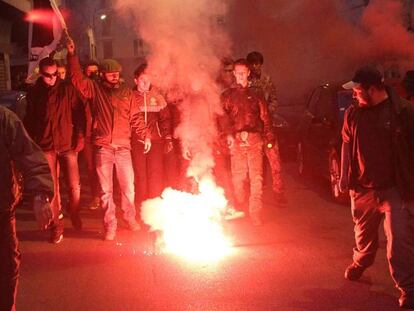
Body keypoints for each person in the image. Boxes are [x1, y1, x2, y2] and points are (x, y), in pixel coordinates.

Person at [340, 66, 414, 309]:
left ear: (373, 90)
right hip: (363, 190)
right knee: (364, 240)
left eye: (358, 91)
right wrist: (344, 178)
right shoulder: (353, 114)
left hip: (394, 189)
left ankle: (408, 289)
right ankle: (360, 262)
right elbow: (345, 145)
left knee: (399, 242)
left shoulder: (404, 112)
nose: (354, 95)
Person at [66, 37, 151, 241]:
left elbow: (135, 116)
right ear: (103, 74)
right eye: (111, 74)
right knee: (105, 191)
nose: (115, 76)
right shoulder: (95, 89)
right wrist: (72, 55)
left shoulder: (126, 93)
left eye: (117, 73)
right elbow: (77, 79)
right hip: (103, 147)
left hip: (123, 148)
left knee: (128, 187)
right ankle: (109, 225)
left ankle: (129, 217)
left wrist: (145, 134)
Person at [24, 57, 85, 242]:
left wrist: (80, 136)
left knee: (74, 186)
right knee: (52, 188)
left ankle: (73, 211)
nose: (51, 78)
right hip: (46, 145)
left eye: (54, 74)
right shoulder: (35, 92)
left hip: (67, 144)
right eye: (47, 75)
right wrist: (31, 140)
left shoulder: (67, 89)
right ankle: (56, 225)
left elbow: (80, 111)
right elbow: (31, 117)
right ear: (41, 74)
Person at [0, 106, 53, 311]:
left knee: (7, 269)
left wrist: (40, 194)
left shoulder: (4, 118)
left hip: (2, 211)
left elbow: (28, 154)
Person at [220, 58, 275, 226]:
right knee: (238, 178)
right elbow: (222, 119)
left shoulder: (257, 95)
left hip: (254, 140)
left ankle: (255, 213)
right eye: (237, 73)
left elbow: (265, 117)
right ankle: (240, 204)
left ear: (248, 73)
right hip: (236, 141)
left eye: (243, 72)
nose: (240, 76)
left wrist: (269, 139)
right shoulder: (227, 96)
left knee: (256, 179)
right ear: (234, 74)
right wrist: (228, 135)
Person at [131, 63, 172, 208]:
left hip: (156, 141)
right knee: (140, 175)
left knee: (155, 174)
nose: (145, 83)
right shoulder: (130, 97)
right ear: (136, 80)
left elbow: (165, 119)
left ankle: (154, 207)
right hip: (137, 142)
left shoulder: (158, 97)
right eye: (142, 79)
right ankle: (142, 207)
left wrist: (167, 137)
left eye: (148, 80)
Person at [246, 51, 284, 202]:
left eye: (258, 64)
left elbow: (274, 100)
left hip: (267, 128)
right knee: (252, 165)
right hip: (251, 129)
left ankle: (278, 192)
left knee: (275, 161)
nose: (256, 67)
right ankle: (255, 194)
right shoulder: (244, 83)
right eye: (253, 63)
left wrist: (267, 112)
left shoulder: (267, 81)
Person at [79, 60, 101, 210]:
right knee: (91, 166)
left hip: (102, 134)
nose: (93, 75)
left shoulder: (103, 89)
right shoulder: (81, 90)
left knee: (104, 166)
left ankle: (106, 195)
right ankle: (96, 196)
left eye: (95, 72)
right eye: (89, 72)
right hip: (87, 134)